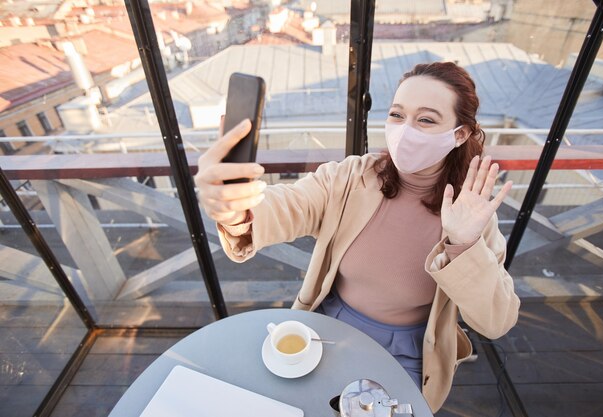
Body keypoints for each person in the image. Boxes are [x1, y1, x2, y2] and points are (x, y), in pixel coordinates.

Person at [194, 62, 520, 413]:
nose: (406, 130)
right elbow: (291, 204)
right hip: (327, 326)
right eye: (397, 114)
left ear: (459, 134)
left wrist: (464, 245)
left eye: (426, 119)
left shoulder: (471, 215)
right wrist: (237, 209)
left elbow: (496, 321)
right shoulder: (351, 178)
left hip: (409, 351)